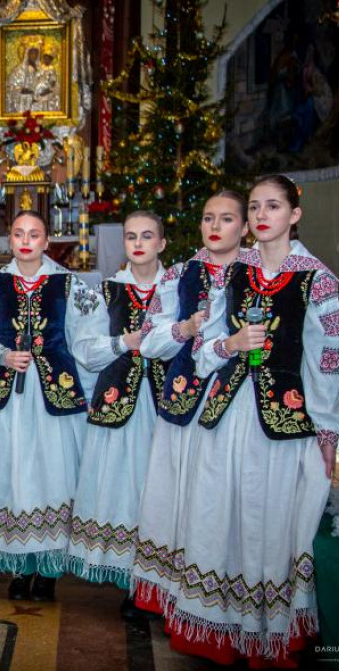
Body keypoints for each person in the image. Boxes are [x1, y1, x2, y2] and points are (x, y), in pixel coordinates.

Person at [162, 175, 339, 668]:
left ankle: (264, 635)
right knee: (215, 513)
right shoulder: (234, 272)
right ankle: (218, 631)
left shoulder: (316, 278)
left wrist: (327, 431)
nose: (262, 215)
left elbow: (329, 361)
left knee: (266, 520)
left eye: (274, 206)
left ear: (295, 214)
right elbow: (207, 342)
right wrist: (229, 345)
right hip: (225, 414)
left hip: (282, 424)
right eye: (255, 206)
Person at [0, 210, 117, 602]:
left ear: (47, 241)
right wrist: (1, 355)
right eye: (18, 233)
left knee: (51, 479)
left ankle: (48, 568)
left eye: (35, 234)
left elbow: (86, 344)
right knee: (11, 477)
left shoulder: (71, 286)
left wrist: (97, 381)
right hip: (6, 402)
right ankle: (19, 566)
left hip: (55, 402)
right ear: (10, 241)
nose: (26, 240)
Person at [131, 191, 249, 618]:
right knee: (171, 491)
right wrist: (182, 329)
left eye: (227, 218)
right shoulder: (180, 273)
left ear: (245, 226)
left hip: (236, 404)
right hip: (183, 395)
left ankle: (209, 600)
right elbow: (148, 340)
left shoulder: (258, 274)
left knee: (213, 497)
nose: (215, 226)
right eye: (207, 218)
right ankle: (164, 592)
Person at [66, 211, 166, 612]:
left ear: (161, 243)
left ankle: (156, 578)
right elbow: (86, 352)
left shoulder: (178, 289)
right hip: (117, 403)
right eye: (130, 236)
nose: (138, 243)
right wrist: (125, 341)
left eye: (147, 236)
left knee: (158, 487)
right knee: (124, 487)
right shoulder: (106, 291)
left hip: (166, 406)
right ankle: (130, 579)